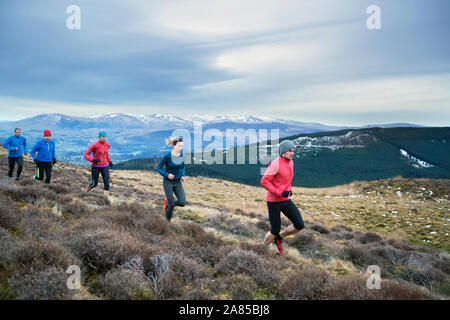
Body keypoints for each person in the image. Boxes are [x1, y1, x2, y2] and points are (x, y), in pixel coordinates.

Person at [260, 140, 304, 254]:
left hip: (285, 200)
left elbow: (285, 179)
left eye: (293, 151)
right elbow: (264, 181)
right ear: (283, 152)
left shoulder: (291, 162)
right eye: (290, 151)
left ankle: (279, 238)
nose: (292, 153)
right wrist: (279, 192)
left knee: (299, 225)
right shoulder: (276, 164)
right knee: (274, 230)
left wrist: (289, 190)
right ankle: (261, 249)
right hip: (274, 201)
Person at [156, 137, 186, 221]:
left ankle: (168, 203)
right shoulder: (167, 156)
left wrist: (183, 175)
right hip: (168, 182)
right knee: (172, 203)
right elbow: (158, 168)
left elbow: (182, 166)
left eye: (182, 146)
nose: (181, 148)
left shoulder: (182, 155)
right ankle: (167, 222)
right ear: (173, 145)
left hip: (177, 182)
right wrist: (167, 174)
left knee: (182, 202)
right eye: (179, 146)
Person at [84, 131, 113, 196]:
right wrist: (92, 160)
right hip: (95, 166)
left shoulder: (107, 145)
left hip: (105, 166)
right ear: (99, 137)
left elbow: (106, 153)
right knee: (94, 184)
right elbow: (86, 155)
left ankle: (107, 200)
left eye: (105, 137)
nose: (104, 138)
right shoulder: (94, 145)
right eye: (103, 137)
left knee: (107, 183)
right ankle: (85, 192)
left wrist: (109, 161)